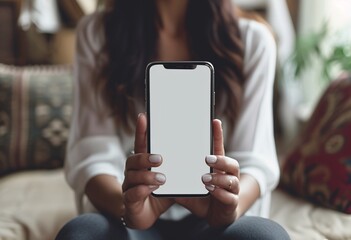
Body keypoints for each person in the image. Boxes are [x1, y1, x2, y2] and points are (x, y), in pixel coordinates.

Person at [56, 0, 290, 239]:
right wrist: (130, 207)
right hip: (128, 219)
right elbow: (92, 155)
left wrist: (231, 207)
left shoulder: (253, 40)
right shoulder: (96, 34)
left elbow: (255, 160)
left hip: (215, 220)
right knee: (81, 234)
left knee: (265, 236)